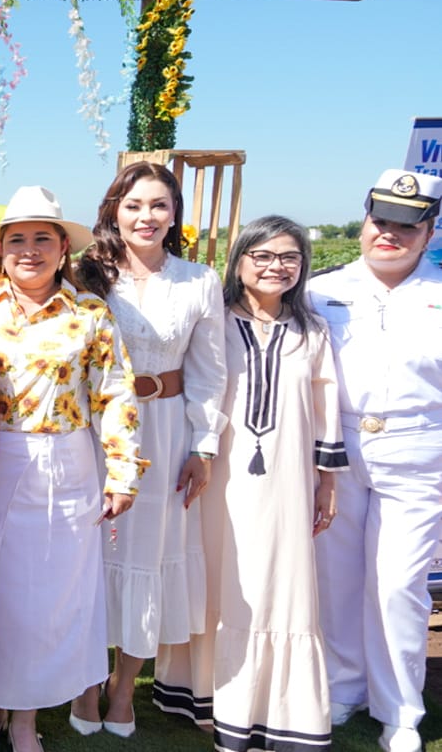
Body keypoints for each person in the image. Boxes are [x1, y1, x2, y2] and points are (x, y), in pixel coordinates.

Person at [0, 185, 146, 752]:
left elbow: (116, 395)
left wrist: (123, 474)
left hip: (68, 464)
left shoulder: (90, 314)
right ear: (0, 250)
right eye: (18, 239)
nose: (30, 250)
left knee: (50, 600)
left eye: (43, 238)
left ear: (64, 247)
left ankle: (25, 719)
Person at [152, 215, 341, 750]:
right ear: (238, 262)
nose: (276, 266)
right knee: (217, 575)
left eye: (289, 257)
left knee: (280, 583)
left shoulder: (312, 332)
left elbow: (325, 409)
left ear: (302, 267)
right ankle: (205, 694)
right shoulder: (213, 323)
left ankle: (275, 706)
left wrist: (326, 482)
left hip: (286, 482)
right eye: (262, 255)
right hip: (218, 478)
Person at [72, 163, 227, 735]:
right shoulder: (85, 277)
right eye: (134, 204)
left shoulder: (198, 281)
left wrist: (204, 444)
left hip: (165, 432)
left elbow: (210, 373)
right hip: (91, 430)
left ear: (174, 214)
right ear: (115, 208)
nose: (146, 216)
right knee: (90, 556)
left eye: (159, 205)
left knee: (148, 556)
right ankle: (84, 687)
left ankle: (121, 691)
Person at [311, 169, 442, 752]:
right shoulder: (321, 291)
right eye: (380, 220)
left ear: (430, 229)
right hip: (336, 451)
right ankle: (345, 688)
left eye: (406, 226)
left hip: (417, 450)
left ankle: (400, 709)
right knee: (337, 580)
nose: (389, 234)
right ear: (365, 219)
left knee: (397, 585)